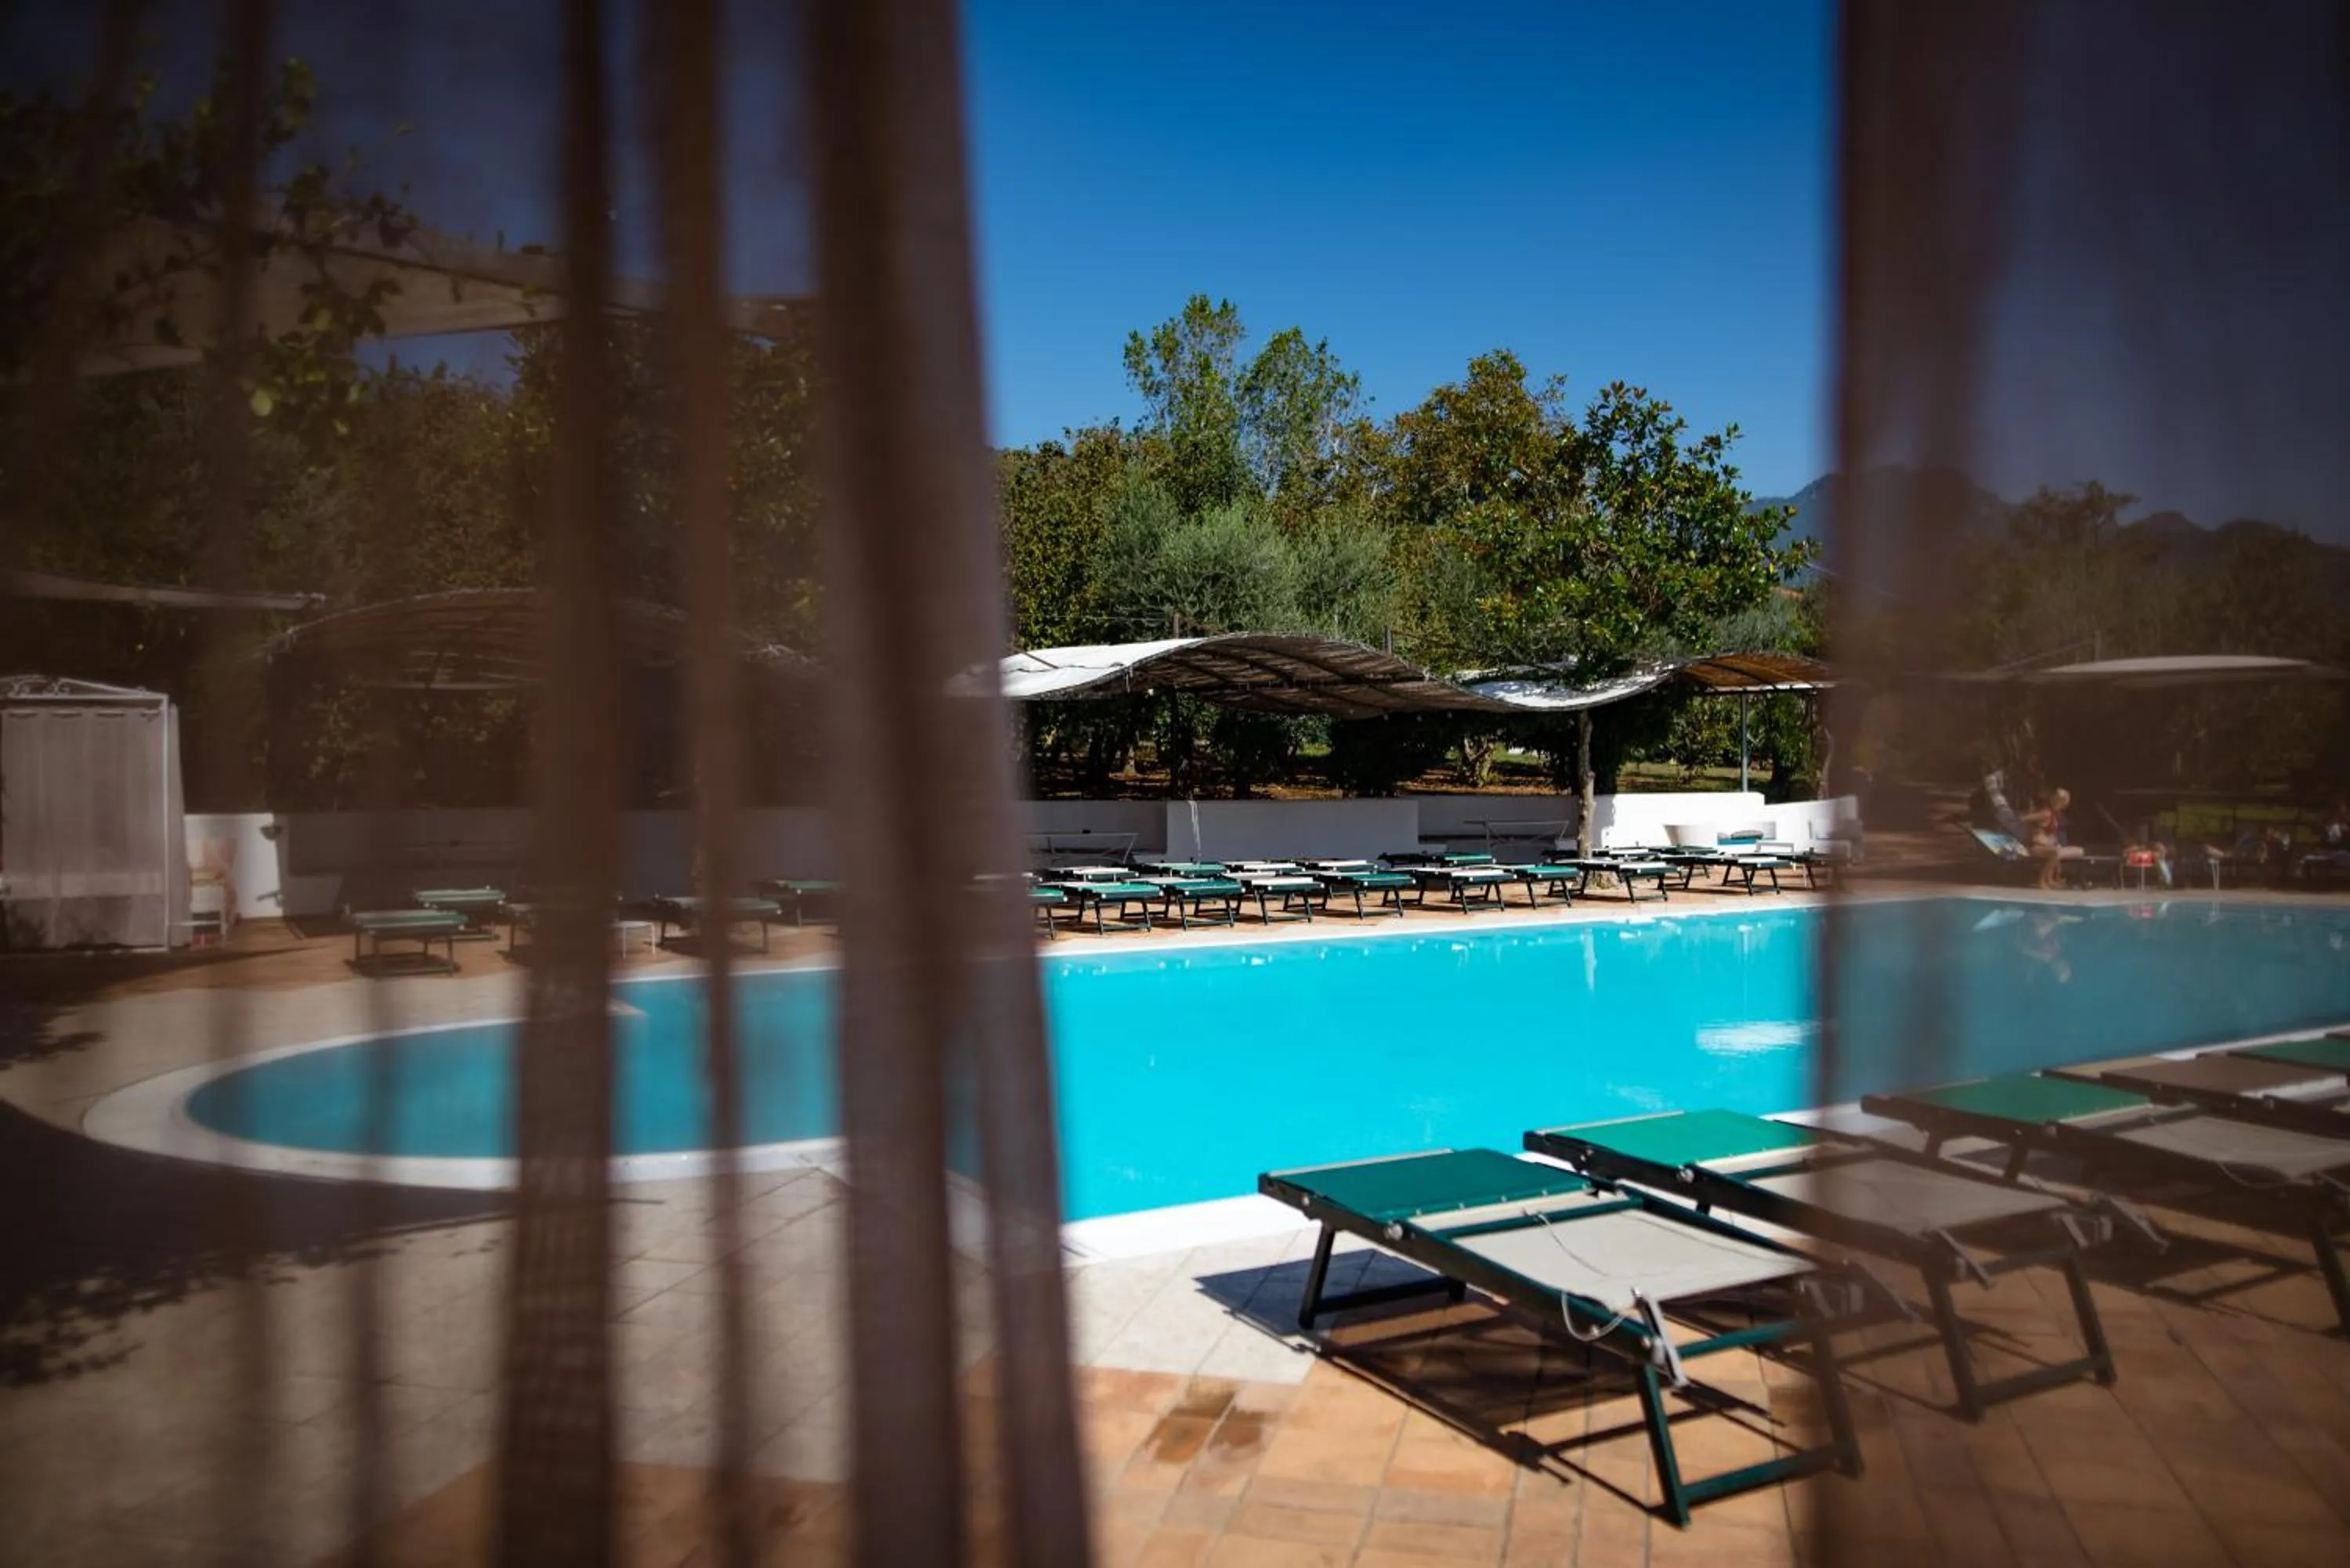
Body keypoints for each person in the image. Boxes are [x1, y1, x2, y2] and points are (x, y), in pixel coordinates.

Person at [2019, 787, 2085, 891]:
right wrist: (2035, 830)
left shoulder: (2054, 814)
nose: (2063, 805)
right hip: (2036, 847)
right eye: (2062, 801)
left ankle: (2053, 879)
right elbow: (2023, 818)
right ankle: (2042, 881)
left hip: (2048, 845)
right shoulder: (2046, 813)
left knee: (2079, 851)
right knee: (2055, 852)